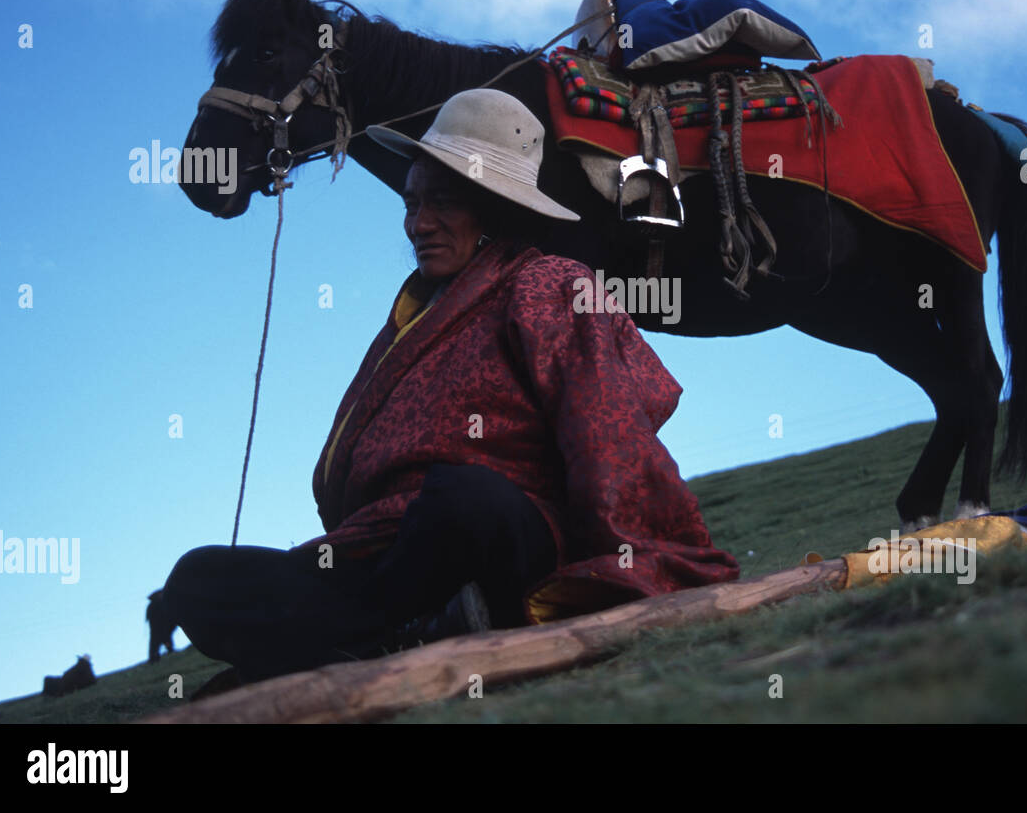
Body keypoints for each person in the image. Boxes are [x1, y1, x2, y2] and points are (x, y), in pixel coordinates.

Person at [161, 88, 738, 689]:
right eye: (411, 204)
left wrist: (633, 562)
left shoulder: (547, 284)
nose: (418, 224)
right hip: (389, 551)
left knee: (460, 500)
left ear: (493, 208)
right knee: (198, 581)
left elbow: (606, 430)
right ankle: (397, 633)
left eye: (443, 204)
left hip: (497, 535)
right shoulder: (413, 317)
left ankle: (341, 645)